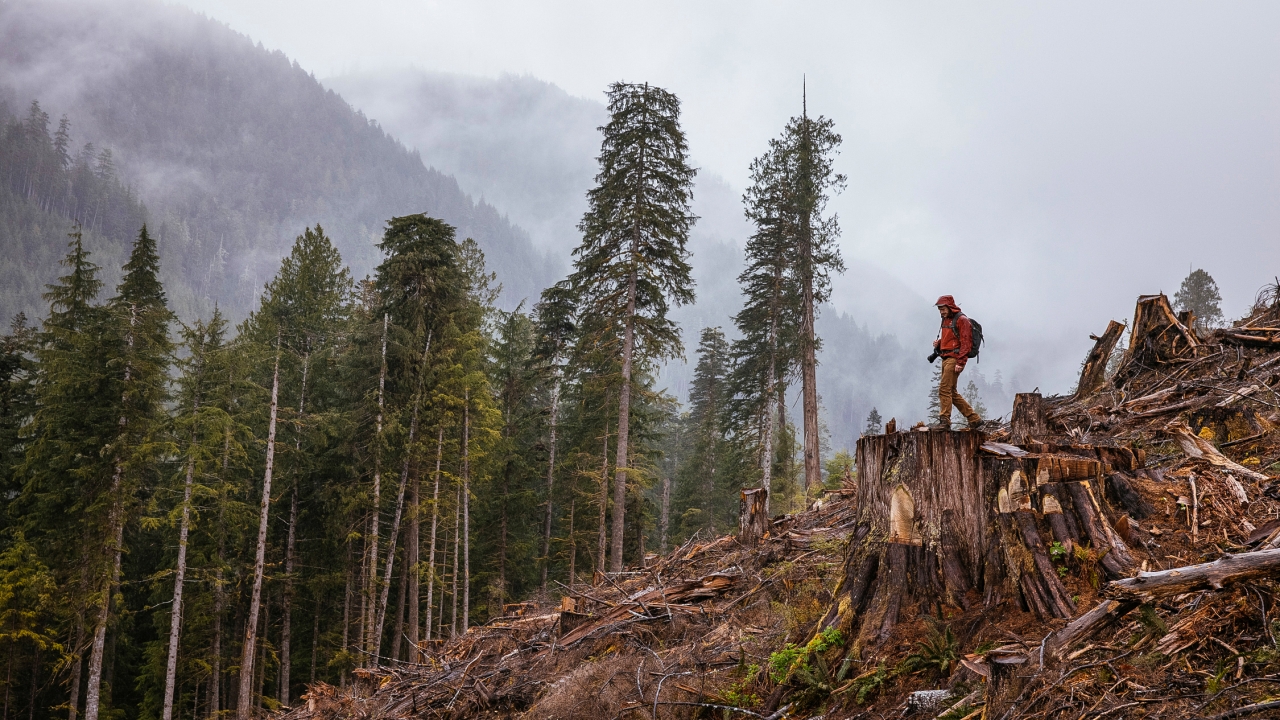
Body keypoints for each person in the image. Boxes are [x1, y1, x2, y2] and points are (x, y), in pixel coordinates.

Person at [928, 295, 982, 430]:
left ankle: (945, 422)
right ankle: (974, 419)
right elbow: (951, 338)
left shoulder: (962, 320)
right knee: (951, 391)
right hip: (945, 357)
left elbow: (966, 343)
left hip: (954, 359)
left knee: (944, 389)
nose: (941, 311)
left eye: (943, 308)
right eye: (939, 309)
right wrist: (939, 343)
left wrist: (961, 362)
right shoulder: (946, 319)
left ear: (950, 306)